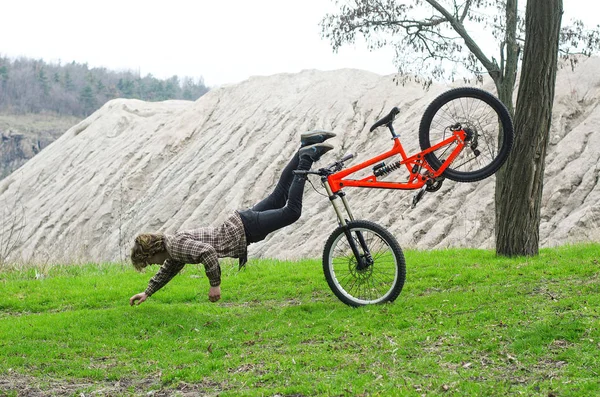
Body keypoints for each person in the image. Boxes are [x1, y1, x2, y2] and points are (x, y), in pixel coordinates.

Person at [129, 131, 336, 305]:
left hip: (244, 229)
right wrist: (147, 292)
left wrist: (214, 285)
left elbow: (207, 252)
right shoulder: (173, 248)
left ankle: (307, 157)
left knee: (292, 212)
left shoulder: (175, 247)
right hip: (241, 223)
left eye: (148, 262)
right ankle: (304, 147)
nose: (153, 265)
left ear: (153, 252)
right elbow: (167, 271)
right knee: (279, 195)